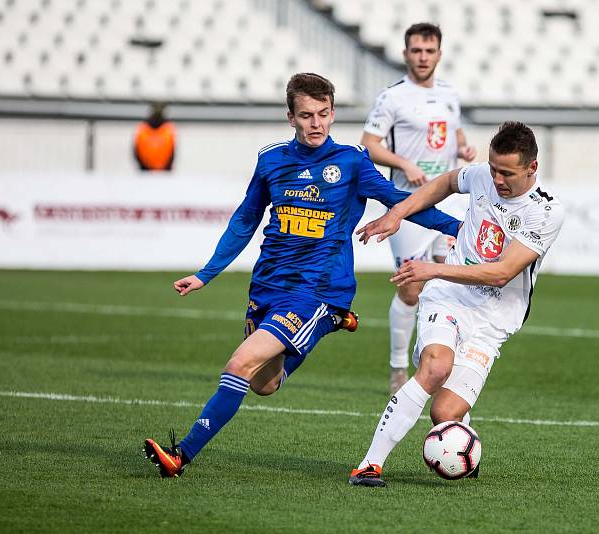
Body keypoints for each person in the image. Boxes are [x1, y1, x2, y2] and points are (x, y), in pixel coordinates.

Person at [143, 73, 461, 478]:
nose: (317, 124)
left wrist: (457, 228)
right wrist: (207, 274)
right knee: (263, 383)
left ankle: (181, 455)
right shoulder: (271, 160)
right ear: (290, 116)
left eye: (324, 114)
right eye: (307, 115)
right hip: (269, 285)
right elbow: (245, 220)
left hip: (317, 289)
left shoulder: (351, 161)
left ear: (332, 114)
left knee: (239, 363)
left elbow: (403, 201)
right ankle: (330, 323)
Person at [348, 122, 565, 487]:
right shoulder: (483, 175)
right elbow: (447, 182)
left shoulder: (544, 213)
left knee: (444, 412)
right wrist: (398, 212)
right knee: (434, 368)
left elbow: (501, 273)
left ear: (532, 168)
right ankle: (369, 465)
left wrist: (430, 267)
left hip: (493, 321)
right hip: (448, 296)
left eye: (507, 173)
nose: (496, 179)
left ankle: (461, 436)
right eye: (493, 168)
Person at [361, 22, 477, 394]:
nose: (423, 57)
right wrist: (404, 163)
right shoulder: (392, 97)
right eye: (416, 50)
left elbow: (452, 131)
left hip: (445, 200)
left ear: (439, 54)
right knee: (411, 289)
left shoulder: (448, 93)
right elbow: (369, 144)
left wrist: (463, 148)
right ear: (406, 54)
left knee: (447, 281)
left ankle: (437, 362)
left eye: (429, 51)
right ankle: (398, 367)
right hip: (406, 205)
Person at [133, 102, 176, 171]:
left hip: (147, 171)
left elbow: (136, 152)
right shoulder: (169, 129)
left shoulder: (142, 128)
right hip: (159, 171)